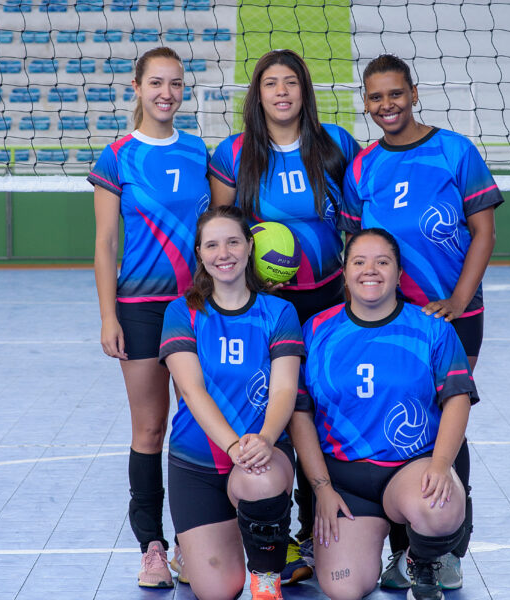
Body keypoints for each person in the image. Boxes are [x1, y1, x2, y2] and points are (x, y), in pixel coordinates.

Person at [339, 53, 504, 589]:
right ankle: (406, 552)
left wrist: (457, 299)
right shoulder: (362, 166)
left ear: (413, 93)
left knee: (446, 421)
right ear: (366, 103)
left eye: (395, 93)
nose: (386, 104)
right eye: (376, 97)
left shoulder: (455, 151)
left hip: (452, 316)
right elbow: (356, 246)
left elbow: (484, 232)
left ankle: (447, 550)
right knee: (396, 422)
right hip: (388, 321)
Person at [209, 49, 361, 572]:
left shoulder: (335, 143)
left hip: (329, 298)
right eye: (270, 83)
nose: (281, 91)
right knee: (274, 408)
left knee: (321, 408)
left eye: (291, 82)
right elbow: (224, 229)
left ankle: (318, 527)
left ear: (305, 90)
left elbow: (357, 222)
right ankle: (275, 535)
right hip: (270, 305)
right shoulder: (234, 153)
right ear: (257, 94)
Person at [289, 229, 479, 600]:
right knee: (344, 587)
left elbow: (457, 399)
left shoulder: (431, 328)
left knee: (438, 507)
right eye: (359, 262)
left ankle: (419, 559)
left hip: (409, 468)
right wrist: (321, 490)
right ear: (345, 273)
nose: (370, 270)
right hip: (345, 481)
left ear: (399, 273)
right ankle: (379, 550)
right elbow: (300, 414)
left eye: (382, 262)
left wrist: (441, 466)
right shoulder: (315, 330)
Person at [88, 46, 211, 587]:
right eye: (156, 83)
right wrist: (107, 316)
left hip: (195, 307)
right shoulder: (117, 156)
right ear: (136, 87)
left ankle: (191, 539)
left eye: (176, 84)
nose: (167, 93)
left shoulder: (198, 150)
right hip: (139, 307)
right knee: (151, 427)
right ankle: (152, 548)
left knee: (197, 423)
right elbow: (105, 243)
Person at [158, 206, 305, 600]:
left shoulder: (279, 312)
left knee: (260, 479)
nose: (223, 253)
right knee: (218, 590)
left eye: (233, 242)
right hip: (198, 460)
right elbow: (192, 391)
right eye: (212, 245)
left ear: (250, 246)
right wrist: (233, 446)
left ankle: (266, 577)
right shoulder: (182, 312)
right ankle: (222, 545)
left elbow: (284, 390)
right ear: (200, 253)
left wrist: (265, 439)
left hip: (262, 453)